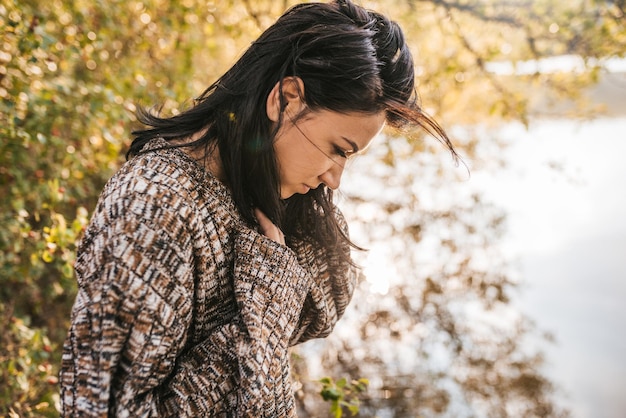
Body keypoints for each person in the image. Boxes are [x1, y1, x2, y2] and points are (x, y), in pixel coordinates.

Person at [59, 0, 457, 416]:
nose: (334, 178)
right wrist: (262, 313)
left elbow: (328, 292)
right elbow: (99, 410)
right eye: (338, 150)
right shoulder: (154, 211)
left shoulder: (253, 192)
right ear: (287, 98)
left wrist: (269, 300)